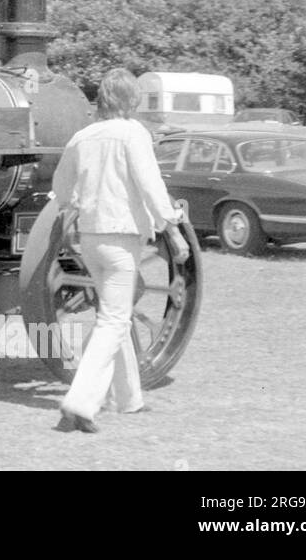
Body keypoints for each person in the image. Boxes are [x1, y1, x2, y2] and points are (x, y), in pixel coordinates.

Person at [50, 67, 189, 434]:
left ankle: (130, 400)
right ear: (130, 101)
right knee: (113, 320)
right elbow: (150, 185)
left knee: (117, 314)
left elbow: (61, 187)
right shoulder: (133, 133)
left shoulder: (82, 136)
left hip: (90, 237)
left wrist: (73, 203)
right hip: (122, 237)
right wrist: (171, 229)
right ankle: (80, 402)